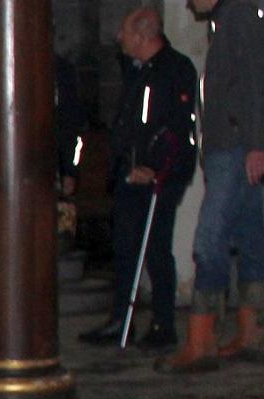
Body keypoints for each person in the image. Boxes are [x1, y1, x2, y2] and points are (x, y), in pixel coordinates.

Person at [160, 0, 264, 373]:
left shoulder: (238, 16)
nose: (189, 1)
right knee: (249, 234)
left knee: (210, 238)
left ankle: (202, 342)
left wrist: (256, 144)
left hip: (234, 146)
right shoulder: (228, 19)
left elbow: (256, 82)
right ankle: (253, 334)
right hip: (232, 144)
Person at [80, 6, 196, 351]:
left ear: (143, 35)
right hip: (129, 174)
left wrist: (154, 168)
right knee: (125, 247)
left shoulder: (175, 69)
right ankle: (122, 320)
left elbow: (176, 128)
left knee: (157, 248)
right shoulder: (138, 70)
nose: (120, 38)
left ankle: (163, 324)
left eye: (126, 32)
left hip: (158, 177)